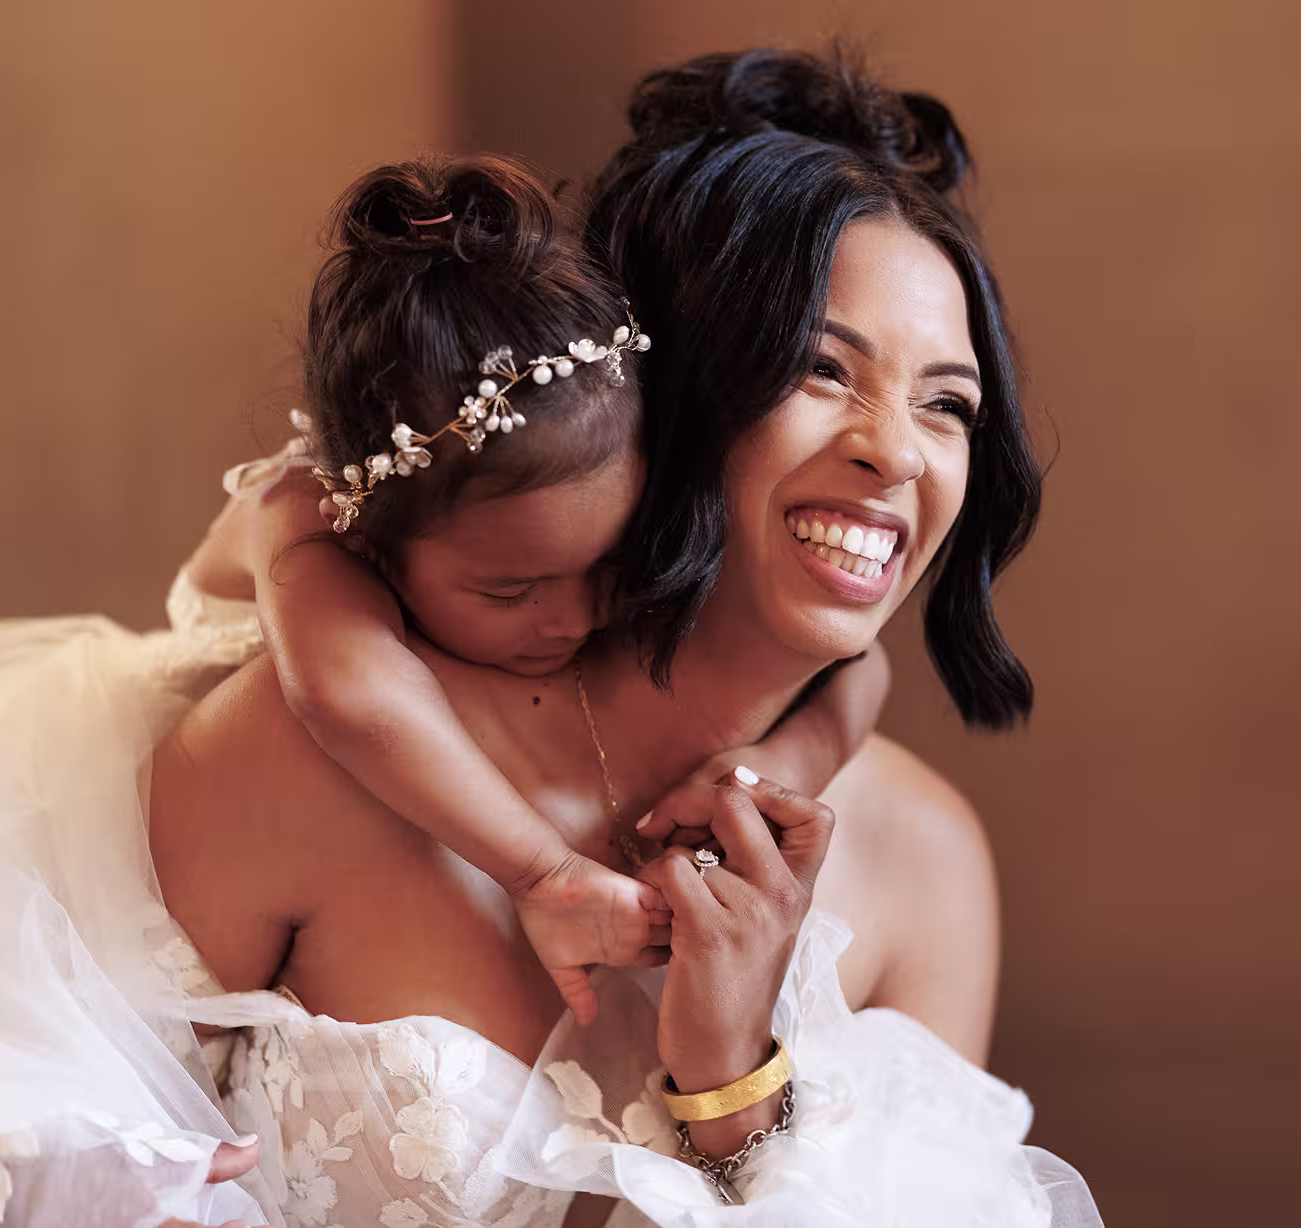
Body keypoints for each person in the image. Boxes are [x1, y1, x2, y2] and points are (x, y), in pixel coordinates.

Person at [147, 49, 1101, 1226]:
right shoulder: (318, 750)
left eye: (947, 403)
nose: (896, 452)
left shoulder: (928, 866)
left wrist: (731, 1075)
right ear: (679, 387)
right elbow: (54, 1139)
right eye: (820, 367)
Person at [180, 156, 888, 1025]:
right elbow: (348, 692)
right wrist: (543, 874)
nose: (577, 616)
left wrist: (774, 768)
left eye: (609, 563)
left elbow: (866, 667)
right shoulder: (306, 516)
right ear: (375, 544)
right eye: (512, 591)